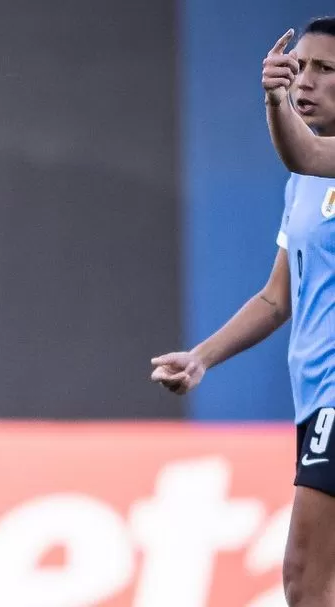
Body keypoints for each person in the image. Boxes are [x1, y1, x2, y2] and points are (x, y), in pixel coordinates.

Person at [151, 17, 335, 606]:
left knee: (305, 581)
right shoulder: (304, 183)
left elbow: (301, 152)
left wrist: (273, 98)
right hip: (314, 399)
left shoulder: (309, 159)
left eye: (325, 70)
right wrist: (202, 358)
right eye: (299, 67)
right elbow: (275, 297)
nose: (306, 80)